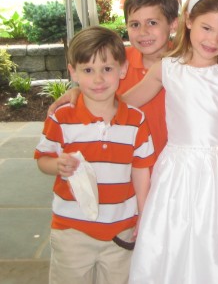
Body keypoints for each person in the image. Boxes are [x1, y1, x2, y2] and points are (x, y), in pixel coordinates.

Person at [125, 0, 218, 283]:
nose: (213, 40)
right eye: (207, 28)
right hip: (176, 174)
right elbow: (124, 103)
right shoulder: (167, 68)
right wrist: (78, 97)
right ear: (188, 20)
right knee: (172, 241)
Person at [34, 26, 155, 284]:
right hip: (71, 230)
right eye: (88, 70)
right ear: (73, 72)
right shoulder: (61, 118)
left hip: (121, 228)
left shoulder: (136, 120)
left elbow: (140, 171)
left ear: (122, 69)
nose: (98, 79)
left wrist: (144, 215)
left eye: (107, 69)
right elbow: (42, 159)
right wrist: (56, 165)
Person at [47, 0, 180, 159]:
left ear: (173, 24)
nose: (143, 32)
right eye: (134, 24)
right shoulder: (114, 62)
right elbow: (96, 82)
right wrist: (80, 92)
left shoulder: (187, 66)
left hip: (173, 166)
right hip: (124, 165)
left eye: (152, 23)